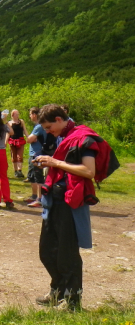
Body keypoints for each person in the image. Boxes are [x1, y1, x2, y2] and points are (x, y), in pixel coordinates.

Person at [33, 104, 118, 311]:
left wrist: (54, 162)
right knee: (47, 250)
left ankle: (72, 300)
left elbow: (88, 171)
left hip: (71, 201)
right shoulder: (63, 135)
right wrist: (49, 164)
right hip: (55, 198)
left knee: (67, 252)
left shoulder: (83, 138)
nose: (47, 131)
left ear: (59, 120)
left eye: (48, 126)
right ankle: (58, 289)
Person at [25, 107, 46, 208]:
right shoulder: (38, 126)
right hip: (33, 153)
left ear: (34, 114)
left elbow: (29, 139)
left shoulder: (39, 126)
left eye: (30, 114)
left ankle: (40, 199)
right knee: (32, 176)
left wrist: (26, 132)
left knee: (38, 177)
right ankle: (34, 196)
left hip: (37, 154)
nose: (30, 116)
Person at [7, 109, 29, 179]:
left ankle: (20, 170)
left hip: (20, 140)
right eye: (16, 114)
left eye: (18, 114)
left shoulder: (21, 122)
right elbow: (8, 133)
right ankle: (15, 170)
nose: (17, 115)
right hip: (12, 140)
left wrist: (28, 137)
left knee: (20, 156)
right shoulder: (9, 123)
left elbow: (25, 130)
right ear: (12, 115)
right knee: (13, 156)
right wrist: (5, 141)